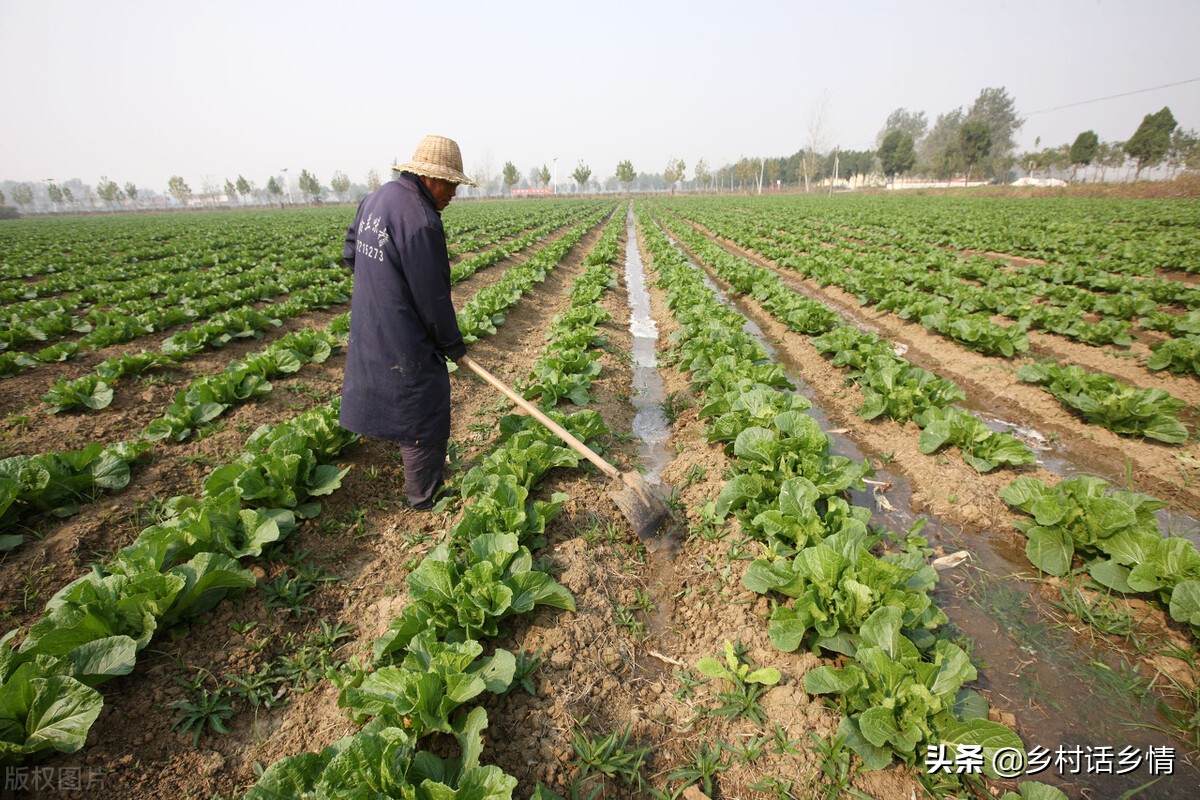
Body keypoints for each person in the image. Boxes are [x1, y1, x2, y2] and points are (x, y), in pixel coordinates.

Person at [340, 135, 476, 510]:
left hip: (371, 318)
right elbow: (432, 298)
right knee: (424, 400)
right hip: (404, 327)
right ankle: (424, 497)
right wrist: (452, 345)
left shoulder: (376, 198)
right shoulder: (421, 219)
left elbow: (352, 252)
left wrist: (380, 287)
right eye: (451, 184)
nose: (453, 193)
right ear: (431, 178)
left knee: (389, 385)